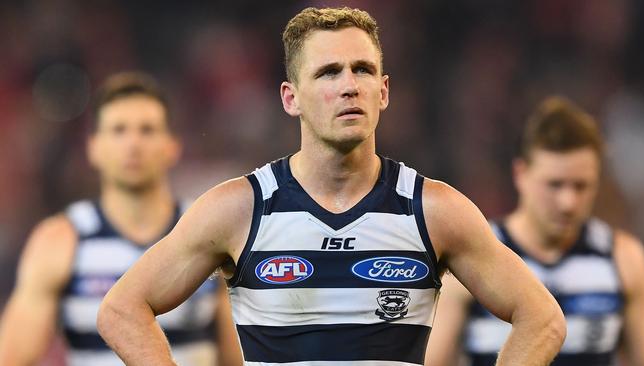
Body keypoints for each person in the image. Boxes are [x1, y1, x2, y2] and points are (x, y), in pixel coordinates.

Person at [97, 7, 566, 366]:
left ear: (383, 91)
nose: (349, 86)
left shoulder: (433, 210)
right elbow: (122, 309)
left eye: (362, 70)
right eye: (328, 72)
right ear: (290, 97)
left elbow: (541, 319)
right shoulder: (240, 209)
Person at [0, 72, 241, 366]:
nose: (133, 144)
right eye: (118, 130)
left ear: (172, 146)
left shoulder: (208, 231)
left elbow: (240, 359)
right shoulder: (61, 240)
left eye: (147, 130)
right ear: (93, 147)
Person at [425, 97, 644, 366]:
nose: (568, 202)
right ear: (521, 174)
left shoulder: (623, 260)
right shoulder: (472, 257)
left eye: (581, 186)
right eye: (554, 185)